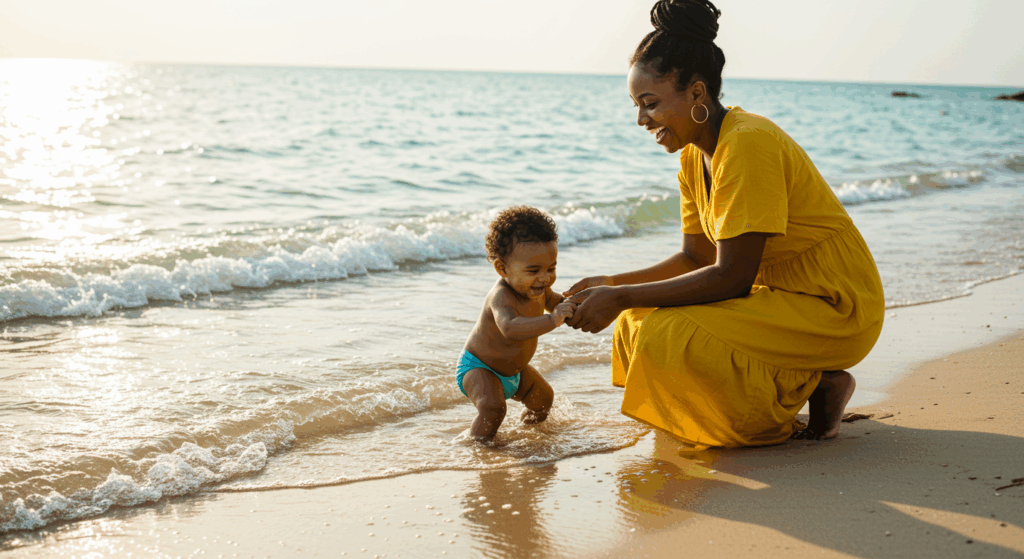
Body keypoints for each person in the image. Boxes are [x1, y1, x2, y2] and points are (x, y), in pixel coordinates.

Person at [564, 0, 885, 448]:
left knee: (667, 332)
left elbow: (733, 277)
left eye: (650, 104)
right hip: (778, 299)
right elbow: (695, 258)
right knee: (636, 320)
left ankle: (811, 384)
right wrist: (612, 284)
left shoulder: (747, 144)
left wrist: (619, 296)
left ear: (697, 93)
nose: (640, 120)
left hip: (835, 306)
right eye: (636, 106)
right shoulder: (693, 158)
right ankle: (811, 384)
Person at [458, 206, 576, 442]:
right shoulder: (501, 296)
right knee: (493, 409)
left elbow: (557, 303)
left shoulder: (539, 289)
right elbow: (510, 328)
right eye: (533, 270)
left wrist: (577, 305)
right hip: (480, 368)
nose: (544, 278)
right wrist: (552, 320)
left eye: (551, 268)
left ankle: (527, 436)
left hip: (516, 371)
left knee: (543, 400)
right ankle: (477, 448)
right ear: (502, 268)